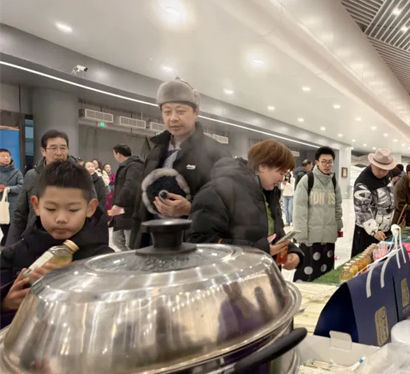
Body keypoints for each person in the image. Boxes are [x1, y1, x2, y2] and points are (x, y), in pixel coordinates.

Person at [0, 161, 112, 328]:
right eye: (51, 209)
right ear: (36, 205)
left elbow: (115, 319)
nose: (61, 218)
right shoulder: (13, 255)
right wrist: (6, 304)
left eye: (73, 210)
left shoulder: (105, 262)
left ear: (90, 208)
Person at [130, 78, 229, 249]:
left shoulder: (216, 153)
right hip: (154, 239)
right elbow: (141, 202)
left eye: (181, 111)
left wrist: (190, 209)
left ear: (196, 112)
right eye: (167, 112)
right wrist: (136, 243)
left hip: (194, 242)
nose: (173, 118)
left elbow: (228, 203)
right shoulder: (155, 150)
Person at [187, 140, 301, 270]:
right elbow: (200, 241)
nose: (282, 179)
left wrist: (291, 251)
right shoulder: (217, 191)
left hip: (262, 274)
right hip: (232, 275)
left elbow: (274, 232)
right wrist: (257, 250)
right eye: (280, 173)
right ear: (263, 167)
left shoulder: (269, 193)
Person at [6, 130, 84, 246]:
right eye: (53, 148)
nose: (59, 153)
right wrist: (10, 248)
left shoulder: (80, 175)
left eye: (63, 148)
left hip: (70, 241)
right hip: (35, 239)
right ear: (43, 151)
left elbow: (93, 213)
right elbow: (20, 215)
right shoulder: (32, 176)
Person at [293, 146, 343, 281]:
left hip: (328, 236)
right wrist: (300, 234)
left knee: (326, 272)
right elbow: (299, 209)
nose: (327, 165)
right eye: (324, 162)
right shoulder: (307, 180)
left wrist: (338, 226)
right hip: (311, 237)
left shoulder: (333, 181)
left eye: (330, 162)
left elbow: (337, 206)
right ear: (317, 162)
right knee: (308, 272)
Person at [351, 148, 397, 256]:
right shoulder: (363, 182)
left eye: (385, 170)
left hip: (385, 228)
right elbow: (362, 211)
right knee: (366, 260)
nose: (382, 172)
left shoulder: (388, 174)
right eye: (379, 169)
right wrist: (374, 230)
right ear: (372, 164)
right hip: (368, 232)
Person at [108, 144, 144, 251]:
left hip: (130, 211)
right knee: (117, 240)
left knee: (130, 243)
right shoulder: (125, 166)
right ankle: (128, 258)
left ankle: (132, 260)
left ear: (118, 154)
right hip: (121, 211)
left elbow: (131, 186)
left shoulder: (134, 166)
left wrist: (118, 203)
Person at [0, 149, 24, 246]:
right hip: (1, 205)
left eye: (8, 156)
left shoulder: (17, 172)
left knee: (12, 231)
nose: (6, 158)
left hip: (13, 205)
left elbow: (22, 186)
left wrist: (10, 188)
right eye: (3, 156)